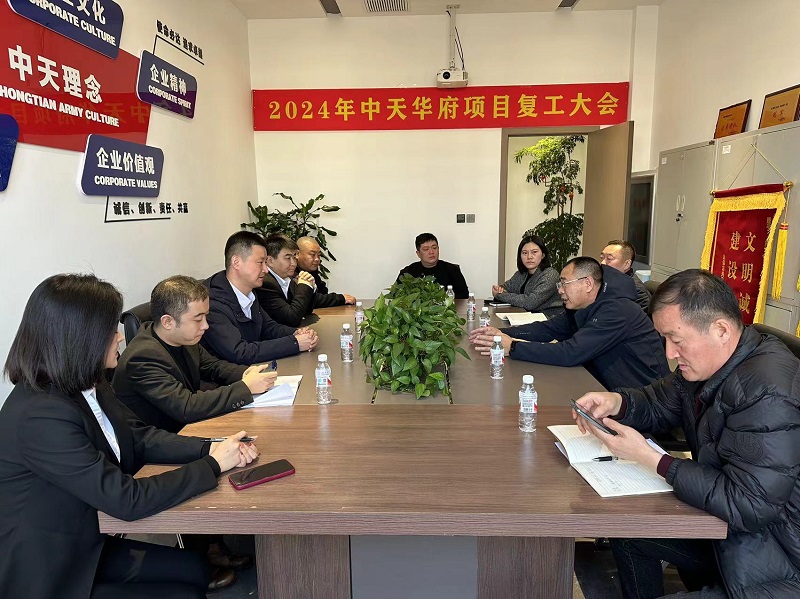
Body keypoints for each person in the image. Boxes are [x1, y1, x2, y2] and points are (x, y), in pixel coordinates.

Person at [0, 274, 259, 599]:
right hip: (50, 568)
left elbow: (140, 437)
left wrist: (212, 447)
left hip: (86, 542)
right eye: (110, 330)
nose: (120, 336)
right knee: (183, 592)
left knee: (195, 569)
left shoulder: (88, 382)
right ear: (78, 338)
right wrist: (213, 465)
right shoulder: (40, 416)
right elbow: (126, 499)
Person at [572, 269, 800, 599]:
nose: (669, 353)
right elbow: (657, 400)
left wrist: (653, 459)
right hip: (732, 537)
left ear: (721, 330)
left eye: (676, 340)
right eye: (664, 339)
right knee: (630, 531)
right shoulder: (708, 365)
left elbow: (749, 504)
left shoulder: (767, 391)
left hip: (775, 563)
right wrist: (616, 402)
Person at [470, 257, 669, 390]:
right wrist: (501, 333)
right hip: (602, 385)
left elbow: (570, 352)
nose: (560, 290)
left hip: (642, 399)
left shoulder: (617, 311)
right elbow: (549, 328)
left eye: (564, 283)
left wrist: (512, 347)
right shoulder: (585, 305)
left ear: (588, 283)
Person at [114, 275, 278, 434]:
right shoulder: (142, 358)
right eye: (198, 319)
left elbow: (213, 366)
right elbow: (186, 406)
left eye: (206, 316)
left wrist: (246, 373)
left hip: (190, 427)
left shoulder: (183, 338)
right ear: (168, 322)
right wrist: (246, 387)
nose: (205, 325)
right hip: (166, 438)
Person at [202, 231, 318, 364]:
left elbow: (268, 328)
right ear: (236, 262)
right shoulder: (211, 301)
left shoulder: (249, 291)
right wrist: (294, 343)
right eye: (260, 262)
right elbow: (240, 352)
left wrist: (296, 333)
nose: (266, 270)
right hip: (230, 375)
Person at [491, 234, 563, 318]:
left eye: (534, 252)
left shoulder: (550, 275)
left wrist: (500, 295)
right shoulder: (521, 274)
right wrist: (499, 289)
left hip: (549, 318)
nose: (529, 257)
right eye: (525, 253)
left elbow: (530, 302)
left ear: (543, 255)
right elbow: (505, 288)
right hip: (527, 316)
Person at [254, 234, 315, 327]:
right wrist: (304, 286)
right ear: (270, 261)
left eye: (294, 257)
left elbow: (306, 310)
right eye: (288, 258)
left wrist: (310, 286)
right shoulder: (265, 283)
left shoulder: (288, 277)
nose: (293, 263)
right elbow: (292, 319)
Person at [397, 233, 469, 298]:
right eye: (426, 249)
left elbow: (464, 295)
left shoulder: (452, 270)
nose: (431, 252)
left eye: (434, 248)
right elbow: (395, 295)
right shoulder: (407, 273)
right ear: (418, 253)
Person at [296, 236, 356, 308]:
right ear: (297, 254)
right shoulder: (290, 272)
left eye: (319, 255)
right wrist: (339, 298)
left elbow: (323, 294)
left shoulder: (311, 271)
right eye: (312, 254)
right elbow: (309, 300)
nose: (317, 259)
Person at [599, 239, 650, 312]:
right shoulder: (604, 280)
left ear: (627, 264)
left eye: (609, 259)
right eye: (602, 258)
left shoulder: (636, 290)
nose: (603, 263)